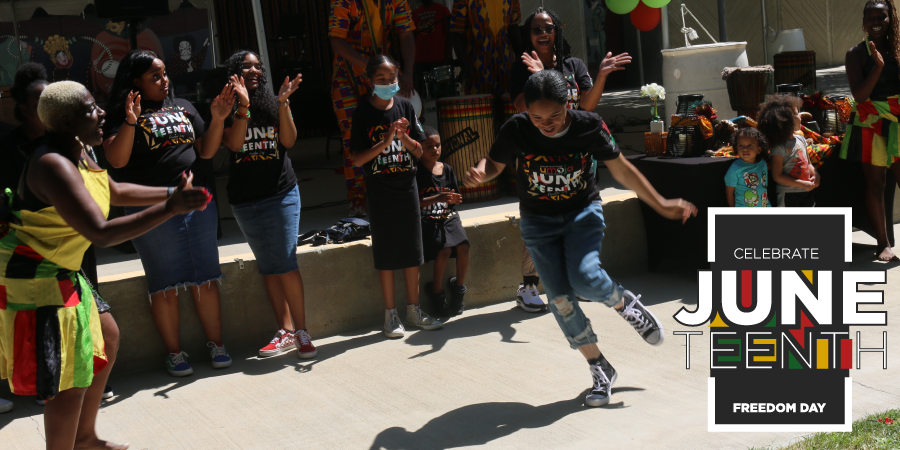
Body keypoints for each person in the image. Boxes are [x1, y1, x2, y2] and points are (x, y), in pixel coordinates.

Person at [463, 70, 696, 407]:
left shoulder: (589, 125)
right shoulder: (516, 128)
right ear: (525, 109)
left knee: (585, 278)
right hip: (538, 223)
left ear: (568, 104)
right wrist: (480, 172)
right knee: (559, 299)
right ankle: (600, 367)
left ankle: (624, 303)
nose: (546, 123)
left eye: (555, 115)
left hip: (581, 215)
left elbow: (621, 169)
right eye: (537, 116)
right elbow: (494, 163)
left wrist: (660, 203)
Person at [0, 80, 209, 450]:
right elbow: (101, 232)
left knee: (106, 335)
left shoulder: (78, 148)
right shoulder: (52, 164)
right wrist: (170, 209)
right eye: (91, 109)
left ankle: (84, 437)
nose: (101, 115)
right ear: (65, 121)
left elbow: (113, 190)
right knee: (68, 383)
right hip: (38, 279)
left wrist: (171, 195)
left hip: (62, 268)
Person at [102, 49, 231, 376]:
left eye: (164, 73)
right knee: (164, 283)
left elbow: (206, 150)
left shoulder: (184, 107)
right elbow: (116, 161)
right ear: (136, 82)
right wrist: (132, 121)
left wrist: (217, 118)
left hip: (195, 202)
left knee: (206, 276)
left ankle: (217, 345)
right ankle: (175, 353)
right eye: (155, 76)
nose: (164, 80)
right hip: (151, 207)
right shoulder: (120, 114)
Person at [507, 7, 631, 313]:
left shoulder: (574, 66)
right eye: (536, 29)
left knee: (575, 219)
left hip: (576, 158)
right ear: (529, 35)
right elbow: (522, 109)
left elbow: (587, 107)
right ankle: (528, 286)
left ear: (557, 31)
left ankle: (578, 281)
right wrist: (541, 78)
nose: (543, 34)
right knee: (539, 216)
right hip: (539, 159)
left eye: (548, 28)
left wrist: (600, 75)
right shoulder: (521, 68)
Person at [203, 50, 317, 358]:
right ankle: (285, 331)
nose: (253, 70)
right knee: (268, 266)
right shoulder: (224, 104)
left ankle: (302, 331)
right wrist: (242, 107)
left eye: (257, 65)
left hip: (281, 193)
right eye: (246, 66)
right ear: (233, 72)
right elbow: (236, 144)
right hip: (245, 200)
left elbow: (290, 142)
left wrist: (282, 103)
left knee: (285, 262)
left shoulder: (273, 101)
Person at [350, 55, 443, 338]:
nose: (388, 84)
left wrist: (404, 139)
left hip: (407, 189)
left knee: (413, 252)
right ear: (369, 81)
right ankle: (390, 315)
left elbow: (418, 151)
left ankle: (414, 310)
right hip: (380, 192)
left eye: (392, 79)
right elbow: (357, 160)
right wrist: (385, 141)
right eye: (381, 80)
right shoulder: (362, 112)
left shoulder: (404, 106)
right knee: (387, 253)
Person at [329, 0, 418, 217]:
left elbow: (406, 34)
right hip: (348, 76)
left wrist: (407, 72)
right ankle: (357, 198)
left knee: (394, 131)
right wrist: (368, 65)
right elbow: (337, 41)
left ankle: (388, 189)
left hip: (383, 74)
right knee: (353, 135)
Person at [842, 0, 900, 261]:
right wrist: (877, 67)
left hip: (898, 119)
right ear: (864, 21)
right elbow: (860, 96)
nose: (876, 21)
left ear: (891, 18)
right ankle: (883, 243)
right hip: (870, 121)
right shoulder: (855, 54)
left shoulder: (898, 48)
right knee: (876, 184)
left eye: (882, 16)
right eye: (871, 17)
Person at [416, 126, 469, 316]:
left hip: (447, 216)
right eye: (428, 146)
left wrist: (454, 200)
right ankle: (436, 291)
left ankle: (459, 289)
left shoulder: (446, 169)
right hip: (427, 219)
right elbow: (414, 203)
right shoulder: (416, 171)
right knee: (444, 250)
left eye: (437, 145)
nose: (435, 149)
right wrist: (437, 199)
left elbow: (454, 197)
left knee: (463, 246)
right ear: (418, 147)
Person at [758, 94, 820, 208]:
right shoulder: (778, 146)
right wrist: (802, 184)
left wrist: (815, 174)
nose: (800, 117)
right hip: (789, 194)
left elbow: (808, 164)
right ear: (786, 120)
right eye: (796, 114)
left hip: (806, 192)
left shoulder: (801, 139)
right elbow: (777, 176)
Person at [451, 0, 522, 96]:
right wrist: (464, 65)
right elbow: (456, 32)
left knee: (507, 108)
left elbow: (513, 27)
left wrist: (521, 58)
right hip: (477, 69)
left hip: (505, 68)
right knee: (480, 109)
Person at [1, 63, 48, 193]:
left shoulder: (61, 136)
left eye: (51, 102)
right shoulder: (8, 148)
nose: (48, 110)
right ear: (25, 110)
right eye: (40, 105)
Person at [411, 0, 452, 96]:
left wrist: (448, 56)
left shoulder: (443, 10)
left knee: (442, 92)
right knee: (424, 93)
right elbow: (412, 39)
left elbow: (449, 35)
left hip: (440, 59)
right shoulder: (414, 14)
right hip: (420, 61)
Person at [725, 127, 770, 207]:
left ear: (759, 149)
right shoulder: (735, 168)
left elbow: (763, 187)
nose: (745, 149)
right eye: (741, 145)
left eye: (750, 145)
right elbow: (729, 193)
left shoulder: (763, 164)